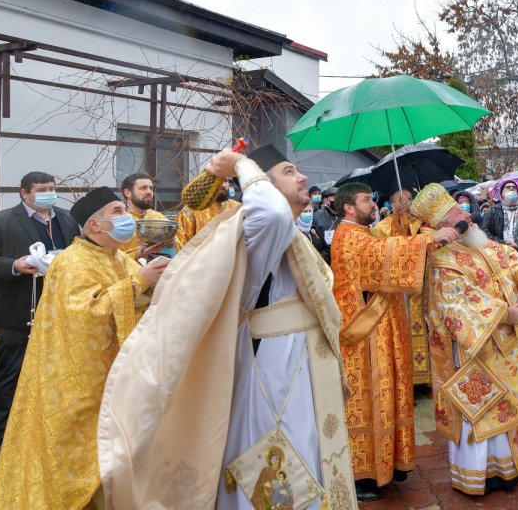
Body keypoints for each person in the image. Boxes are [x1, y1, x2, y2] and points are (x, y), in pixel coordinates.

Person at [98, 146, 359, 510]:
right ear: (262, 185)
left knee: (309, 453)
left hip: (300, 364)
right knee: (280, 461)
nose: (303, 178)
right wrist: (238, 164)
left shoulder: (292, 235)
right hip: (272, 369)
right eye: (289, 171)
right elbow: (268, 212)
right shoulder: (258, 232)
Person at [0, 187, 169, 509]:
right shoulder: (71, 263)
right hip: (78, 381)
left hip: (115, 374)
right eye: (117, 211)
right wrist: (139, 282)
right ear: (95, 225)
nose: (126, 217)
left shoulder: (117, 259)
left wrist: (153, 281)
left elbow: (135, 300)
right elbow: (85, 316)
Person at [411, 183, 518, 497]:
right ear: (444, 223)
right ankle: (479, 474)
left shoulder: (480, 242)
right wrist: (503, 315)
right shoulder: (442, 258)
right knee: (480, 407)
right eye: (459, 212)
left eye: (465, 210)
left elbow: (507, 259)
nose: (467, 214)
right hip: (474, 348)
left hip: (505, 345)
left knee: (508, 402)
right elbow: (455, 304)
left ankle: (506, 468)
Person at [332, 183, 453, 501]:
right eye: (366, 200)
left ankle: (391, 462)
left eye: (372, 198)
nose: (373, 204)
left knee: (389, 393)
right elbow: (379, 257)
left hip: (383, 329)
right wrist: (428, 238)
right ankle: (364, 475)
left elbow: (390, 246)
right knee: (370, 399)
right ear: (348, 207)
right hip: (364, 333)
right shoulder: (348, 235)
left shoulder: (363, 232)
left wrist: (403, 225)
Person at [0, 170, 79, 459]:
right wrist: (14, 265)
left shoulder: (67, 219)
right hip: (15, 309)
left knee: (55, 371)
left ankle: (45, 429)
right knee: (12, 372)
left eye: (52, 188)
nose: (49, 193)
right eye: (41, 189)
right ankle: (3, 436)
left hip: (59, 308)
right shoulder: (0, 220)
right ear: (24, 193)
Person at [371, 187, 433, 388]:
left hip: (423, 284)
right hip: (400, 289)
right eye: (400, 199)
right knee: (403, 328)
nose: (406, 202)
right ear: (392, 204)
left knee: (428, 326)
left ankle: (428, 378)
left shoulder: (421, 224)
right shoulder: (381, 227)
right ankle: (407, 378)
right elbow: (381, 256)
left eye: (409, 198)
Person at [175, 173, 241, 251]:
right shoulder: (192, 210)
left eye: (225, 181)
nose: (223, 185)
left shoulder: (238, 208)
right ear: (207, 184)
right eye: (219, 181)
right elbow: (181, 242)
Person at [480, 180, 518, 256]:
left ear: (517, 193)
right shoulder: (492, 211)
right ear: (502, 194)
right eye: (508, 187)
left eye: (514, 187)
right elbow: (484, 231)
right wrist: (503, 244)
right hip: (499, 254)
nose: (511, 189)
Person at [118, 171, 171, 257]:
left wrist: (171, 243)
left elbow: (180, 250)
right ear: (128, 192)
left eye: (151, 188)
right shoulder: (117, 220)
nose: (149, 192)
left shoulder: (160, 218)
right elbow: (108, 257)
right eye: (143, 188)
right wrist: (137, 255)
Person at [310, 186, 340, 262]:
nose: (339, 201)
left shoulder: (347, 216)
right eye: (335, 198)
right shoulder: (317, 216)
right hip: (325, 259)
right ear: (326, 201)